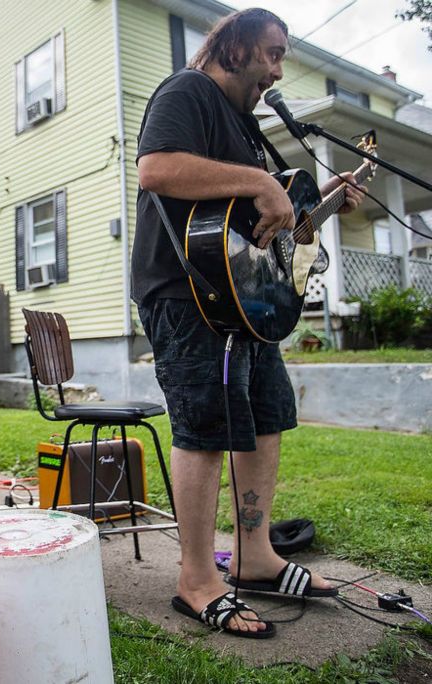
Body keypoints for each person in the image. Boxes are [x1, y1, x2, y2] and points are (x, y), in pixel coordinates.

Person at [133, 8, 366, 638]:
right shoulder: (189, 91)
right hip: (185, 292)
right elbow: (156, 168)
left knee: (265, 416)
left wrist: (320, 203)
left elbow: (272, 231)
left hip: (244, 301)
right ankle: (196, 579)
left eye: (282, 57)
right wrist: (261, 180)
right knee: (205, 427)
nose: (277, 69)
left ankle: (255, 555)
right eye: (271, 53)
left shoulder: (246, 126)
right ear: (232, 46)